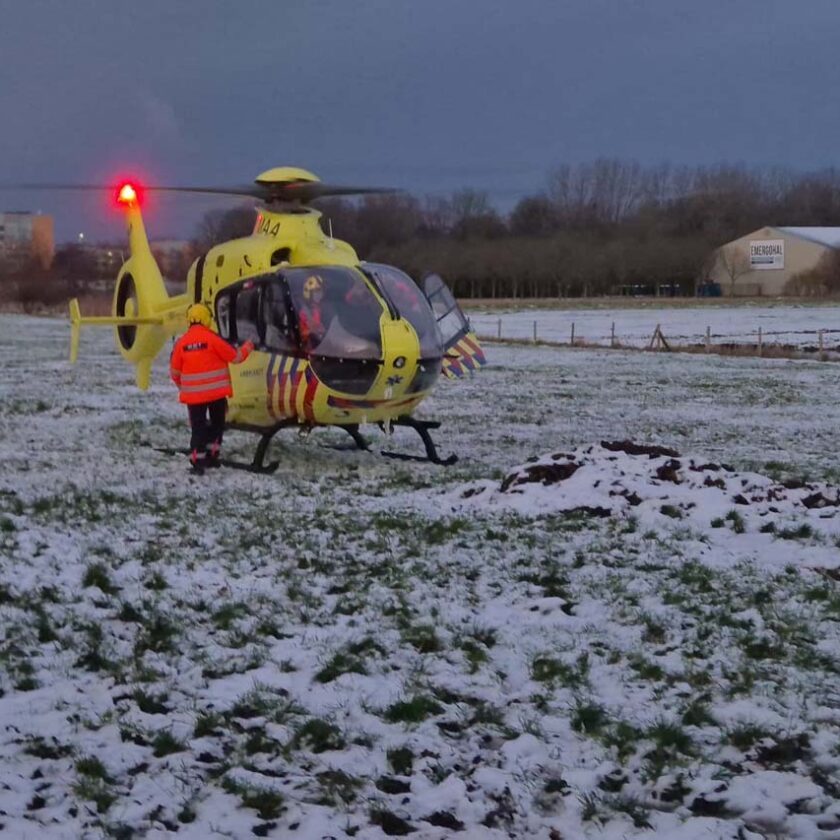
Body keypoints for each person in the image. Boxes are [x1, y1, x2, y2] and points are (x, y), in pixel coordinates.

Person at [169, 303, 253, 474]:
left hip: (193, 397)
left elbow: (175, 372)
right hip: (216, 394)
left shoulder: (181, 343)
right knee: (217, 424)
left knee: (198, 427)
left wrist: (184, 387)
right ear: (207, 319)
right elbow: (236, 357)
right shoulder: (213, 339)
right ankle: (212, 455)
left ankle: (198, 461)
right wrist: (248, 347)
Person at [298, 274, 328, 348]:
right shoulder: (304, 313)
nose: (320, 294)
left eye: (321, 291)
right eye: (316, 291)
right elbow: (299, 334)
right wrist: (312, 332)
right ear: (308, 293)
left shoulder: (320, 308)